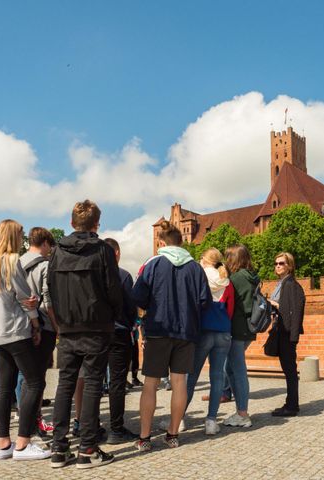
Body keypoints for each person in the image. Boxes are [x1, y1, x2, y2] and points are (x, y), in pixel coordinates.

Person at [48, 200, 122, 469]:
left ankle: (59, 448)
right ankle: (88, 449)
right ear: (96, 225)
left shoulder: (56, 251)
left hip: (67, 327)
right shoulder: (102, 250)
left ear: (71, 223)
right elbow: (114, 290)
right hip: (96, 326)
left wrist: (60, 319)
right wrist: (113, 314)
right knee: (92, 384)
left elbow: (51, 288)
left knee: (65, 385)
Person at [131, 220, 211, 451]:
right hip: (186, 332)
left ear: (161, 243)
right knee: (179, 383)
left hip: (158, 330)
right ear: (182, 242)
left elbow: (138, 296)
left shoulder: (153, 263)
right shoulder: (196, 267)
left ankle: (145, 438)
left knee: (151, 384)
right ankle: (173, 435)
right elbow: (204, 301)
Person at [0, 219, 50, 461]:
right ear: (11, 237)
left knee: (4, 386)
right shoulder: (10, 261)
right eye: (20, 234)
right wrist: (36, 321)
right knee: (35, 382)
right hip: (16, 330)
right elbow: (25, 297)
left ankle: (3, 443)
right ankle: (23, 443)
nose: (23, 238)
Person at [185, 248, 234, 435]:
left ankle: (179, 419)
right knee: (217, 378)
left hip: (203, 330)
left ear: (204, 260)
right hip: (223, 331)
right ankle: (211, 421)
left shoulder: (199, 275)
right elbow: (230, 309)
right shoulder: (226, 280)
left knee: (191, 377)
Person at [16, 227, 58, 437]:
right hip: (42, 325)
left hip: (20, 325)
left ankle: (27, 420)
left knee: (27, 377)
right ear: (44, 243)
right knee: (37, 379)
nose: (50, 251)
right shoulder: (45, 265)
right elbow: (48, 300)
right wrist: (56, 326)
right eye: (50, 246)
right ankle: (34, 423)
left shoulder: (17, 262)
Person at [103, 238, 140, 445]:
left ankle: (86, 427)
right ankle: (116, 429)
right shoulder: (123, 276)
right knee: (117, 383)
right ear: (116, 253)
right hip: (118, 332)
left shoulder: (93, 275)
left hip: (95, 333)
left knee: (92, 381)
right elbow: (131, 307)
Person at [222, 244, 259, 428]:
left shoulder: (236, 278)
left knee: (238, 370)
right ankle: (240, 410)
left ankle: (243, 413)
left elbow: (239, 305)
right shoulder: (252, 276)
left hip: (237, 329)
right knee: (230, 368)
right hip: (248, 329)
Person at [269, 252, 306, 417]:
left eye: (281, 263)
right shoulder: (282, 284)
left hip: (288, 333)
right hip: (281, 330)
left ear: (289, 265)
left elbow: (296, 312)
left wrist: (294, 337)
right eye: (276, 263)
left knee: (290, 370)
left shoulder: (292, 285)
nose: (278, 266)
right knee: (287, 369)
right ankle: (290, 403)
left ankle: (292, 406)